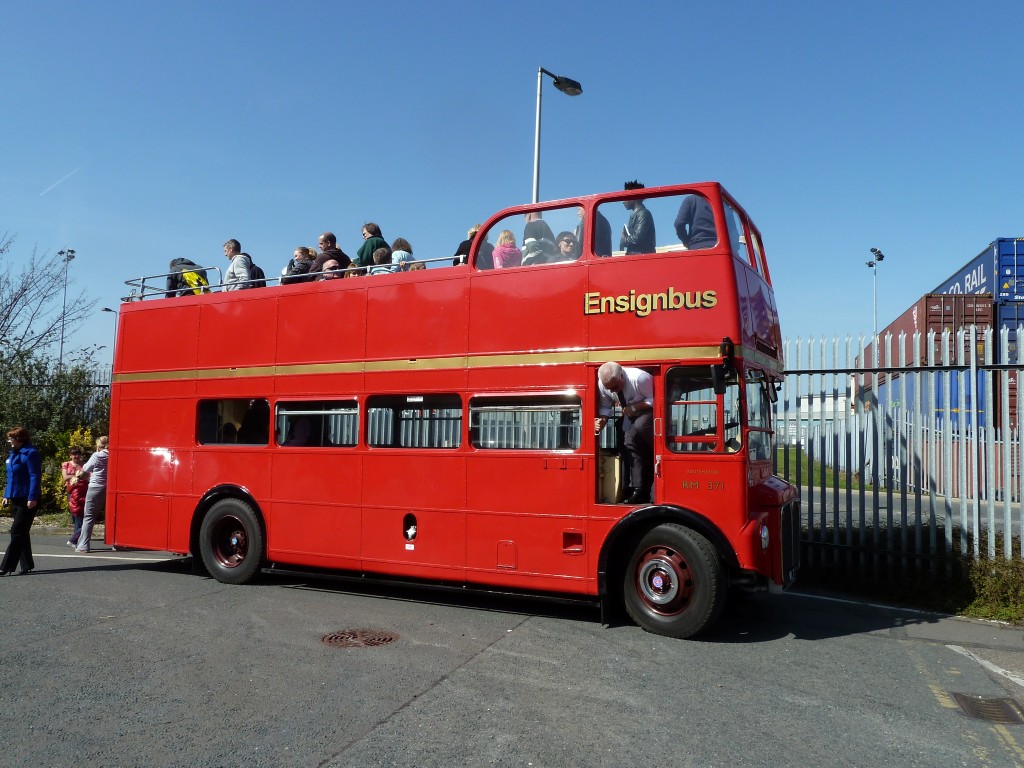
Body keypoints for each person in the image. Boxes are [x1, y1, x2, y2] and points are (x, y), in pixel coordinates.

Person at [594, 362, 654, 504]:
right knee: (625, 441)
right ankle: (631, 486)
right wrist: (602, 420)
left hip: (648, 410)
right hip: (629, 413)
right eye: (609, 388)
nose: (613, 391)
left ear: (622, 376)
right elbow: (605, 405)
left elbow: (656, 398)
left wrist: (634, 407)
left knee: (634, 433)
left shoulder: (640, 378)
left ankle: (640, 487)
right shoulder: (604, 384)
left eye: (614, 387)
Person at [1, 426, 42, 576]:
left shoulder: (31, 454)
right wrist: (6, 495)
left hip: (27, 498)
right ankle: (26, 564)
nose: (9, 441)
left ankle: (6, 566)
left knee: (16, 531)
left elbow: (35, 476)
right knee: (22, 532)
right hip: (15, 496)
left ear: (20, 439)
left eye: (12, 438)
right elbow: (11, 477)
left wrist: (32, 497)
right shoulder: (13, 454)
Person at [75, 436, 109, 554]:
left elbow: (86, 468)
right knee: (110, 516)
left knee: (89, 516)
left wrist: (96, 452)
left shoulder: (97, 455)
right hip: (109, 487)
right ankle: (116, 543)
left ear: (99, 445)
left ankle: (83, 545)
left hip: (96, 487)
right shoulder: (113, 455)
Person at [619, 180, 656, 255]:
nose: (623, 201)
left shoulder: (643, 213)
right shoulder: (636, 214)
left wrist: (623, 241)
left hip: (642, 260)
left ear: (634, 197)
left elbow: (636, 239)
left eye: (626, 197)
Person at [61, 445, 88, 548]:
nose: (76, 456)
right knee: (75, 515)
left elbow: (88, 476)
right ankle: (76, 537)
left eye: (78, 454)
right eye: (74, 454)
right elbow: (65, 477)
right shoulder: (66, 464)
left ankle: (76, 539)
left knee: (79, 515)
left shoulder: (84, 465)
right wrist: (77, 476)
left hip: (82, 491)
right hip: (71, 491)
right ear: (70, 455)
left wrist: (82, 476)